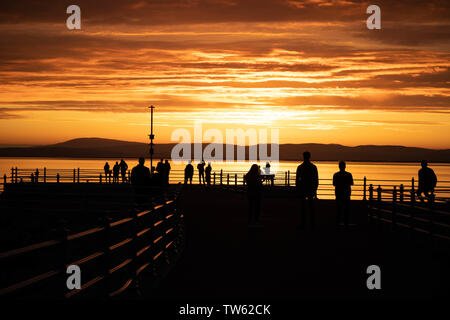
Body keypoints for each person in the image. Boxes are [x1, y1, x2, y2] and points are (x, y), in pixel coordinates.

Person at [296, 151, 318, 230]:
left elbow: (297, 180)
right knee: (311, 207)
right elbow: (316, 180)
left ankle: (303, 224)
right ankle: (312, 224)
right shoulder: (313, 167)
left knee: (303, 207)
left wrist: (297, 189)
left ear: (303, 157)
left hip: (303, 188)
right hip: (310, 188)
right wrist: (315, 191)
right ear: (309, 157)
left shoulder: (300, 167)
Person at [333, 161, 353, 230]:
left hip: (338, 194)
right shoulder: (349, 174)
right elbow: (351, 183)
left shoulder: (336, 175)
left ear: (339, 166)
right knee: (346, 211)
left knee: (338, 210)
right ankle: (346, 225)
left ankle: (337, 225)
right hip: (346, 194)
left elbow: (334, 184)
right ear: (345, 166)